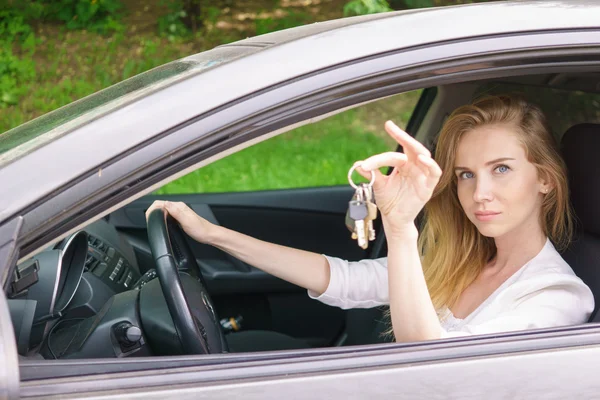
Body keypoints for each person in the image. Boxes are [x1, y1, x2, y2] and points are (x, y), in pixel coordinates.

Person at [146, 95, 594, 343]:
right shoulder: (462, 262)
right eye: (465, 175)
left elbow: (436, 363)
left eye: (502, 169)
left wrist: (401, 228)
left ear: (546, 180)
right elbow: (341, 279)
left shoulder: (559, 296)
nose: (479, 194)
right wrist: (215, 235)